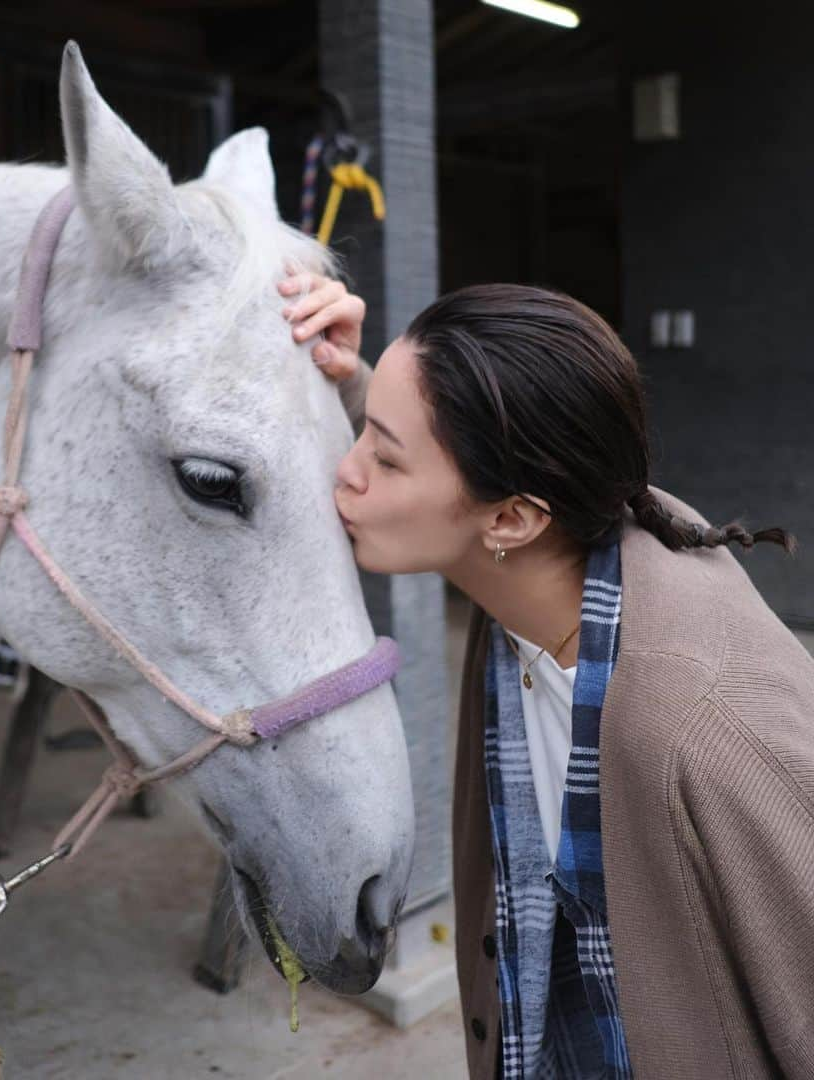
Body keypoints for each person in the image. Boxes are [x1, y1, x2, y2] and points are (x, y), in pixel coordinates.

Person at [277, 272, 814, 1079]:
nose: (344, 473)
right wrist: (342, 378)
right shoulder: (559, 554)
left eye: (383, 456)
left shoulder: (710, 733)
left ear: (512, 518)